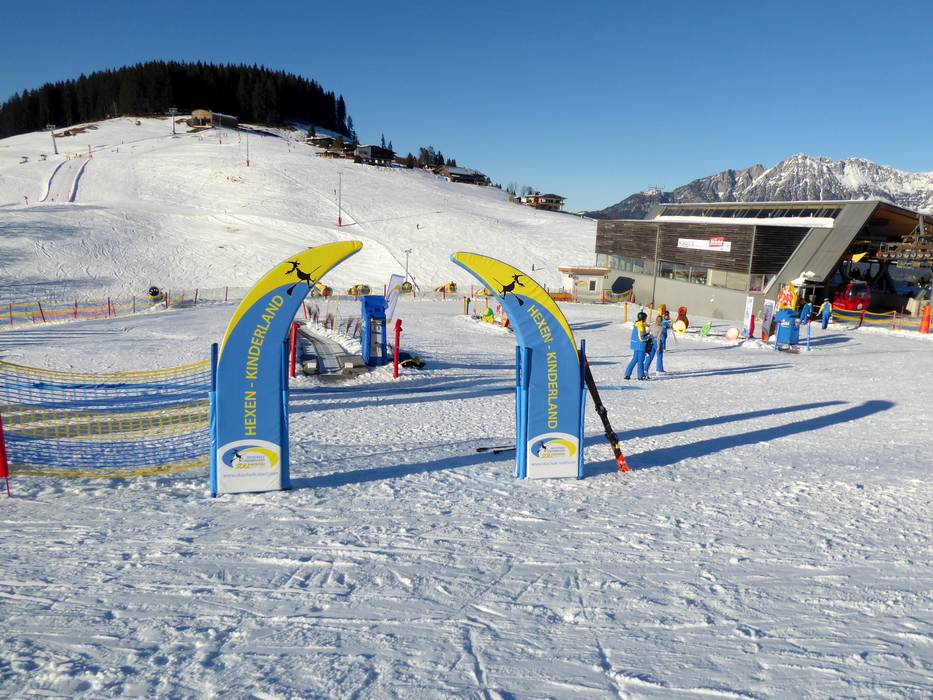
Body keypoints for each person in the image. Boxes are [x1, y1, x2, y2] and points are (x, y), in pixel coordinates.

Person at [625, 311, 650, 380]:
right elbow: (642, 338)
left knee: (635, 359)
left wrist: (646, 333)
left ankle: (627, 374)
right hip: (640, 346)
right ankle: (641, 376)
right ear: (643, 318)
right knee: (641, 361)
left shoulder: (637, 324)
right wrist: (648, 337)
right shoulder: (640, 325)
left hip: (636, 345)